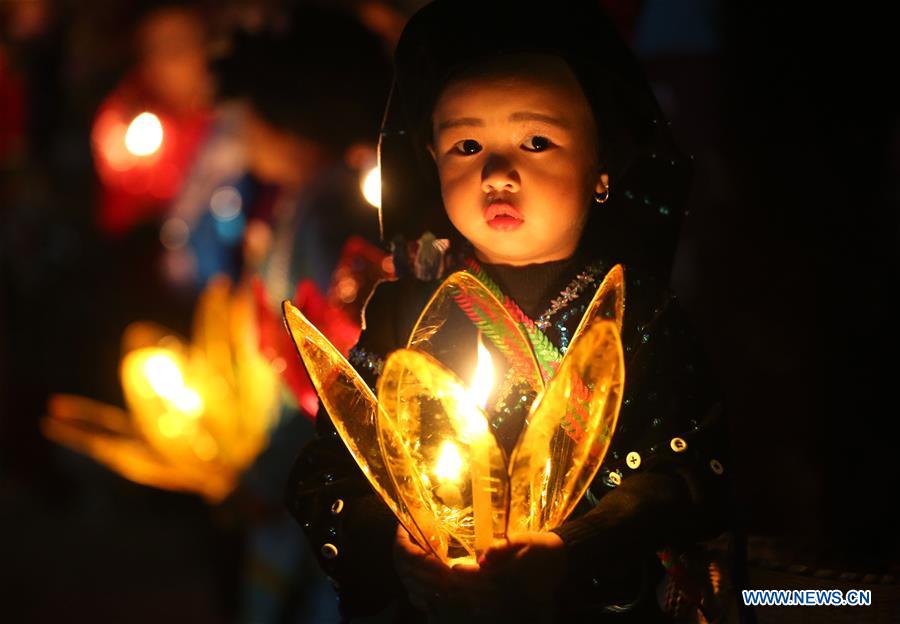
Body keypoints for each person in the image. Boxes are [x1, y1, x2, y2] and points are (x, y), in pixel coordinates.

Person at [286, 2, 734, 622]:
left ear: (602, 164)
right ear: (430, 161)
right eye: (466, 145)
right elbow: (332, 468)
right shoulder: (402, 316)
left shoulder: (638, 318)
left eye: (536, 141)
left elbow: (691, 473)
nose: (497, 172)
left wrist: (568, 550)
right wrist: (393, 546)